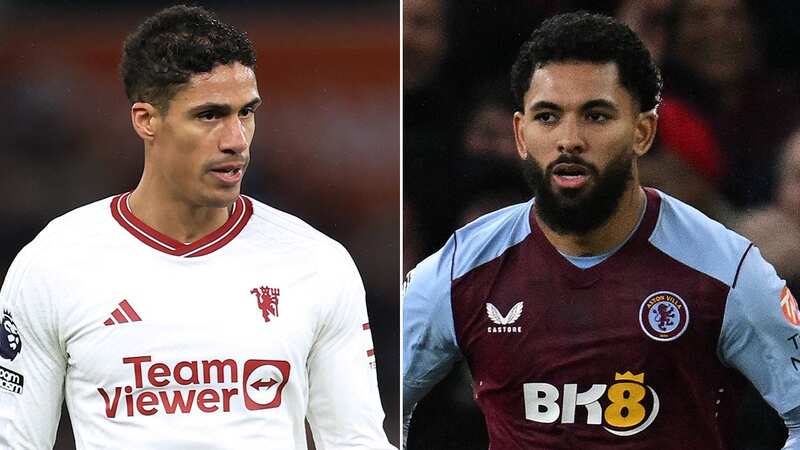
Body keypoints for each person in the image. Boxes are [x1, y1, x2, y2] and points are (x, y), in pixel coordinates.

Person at [0, 5, 395, 449]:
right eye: (209, 115)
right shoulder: (53, 263)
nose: (236, 140)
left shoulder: (318, 263)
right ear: (146, 120)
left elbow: (356, 441)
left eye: (246, 112)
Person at [403, 11, 800, 449]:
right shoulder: (461, 267)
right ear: (521, 135)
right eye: (548, 116)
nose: (569, 138)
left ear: (642, 131)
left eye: (595, 116)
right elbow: (360, 409)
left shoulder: (728, 270)